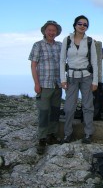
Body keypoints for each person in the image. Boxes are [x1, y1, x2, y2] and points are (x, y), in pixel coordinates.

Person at [60, 15, 98, 144]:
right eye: (80, 23)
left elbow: (94, 61)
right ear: (75, 25)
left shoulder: (89, 41)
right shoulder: (67, 40)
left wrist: (95, 81)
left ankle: (88, 134)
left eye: (85, 25)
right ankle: (67, 134)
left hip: (86, 77)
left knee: (88, 106)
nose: (82, 26)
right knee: (69, 107)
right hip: (71, 77)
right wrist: (62, 79)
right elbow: (62, 61)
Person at [28, 20, 62, 154]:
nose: (52, 32)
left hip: (57, 84)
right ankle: (42, 138)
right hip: (44, 85)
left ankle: (51, 135)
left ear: (57, 32)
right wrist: (36, 84)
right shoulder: (38, 45)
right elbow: (33, 65)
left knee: (55, 111)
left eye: (54, 30)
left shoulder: (60, 46)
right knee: (43, 113)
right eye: (49, 30)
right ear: (44, 31)